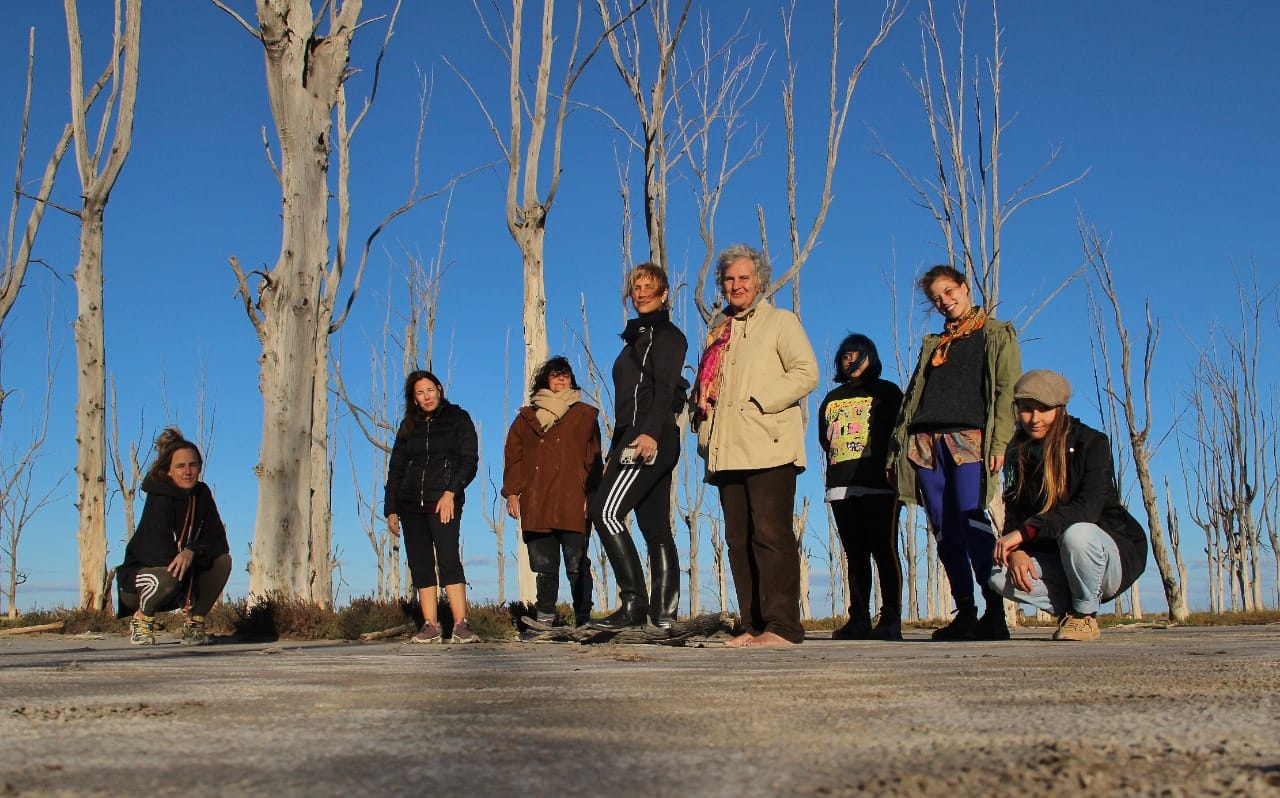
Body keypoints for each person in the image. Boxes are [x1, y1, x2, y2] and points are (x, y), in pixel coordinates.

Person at [693, 244, 818, 647]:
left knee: (771, 534)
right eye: (729, 279)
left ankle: (783, 627)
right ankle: (753, 624)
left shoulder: (781, 322)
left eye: (744, 278)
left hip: (769, 445)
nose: (736, 285)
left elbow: (807, 372)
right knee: (738, 539)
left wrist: (761, 400)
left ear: (760, 282)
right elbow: (711, 385)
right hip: (726, 448)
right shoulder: (719, 333)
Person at [888, 264, 1021, 641]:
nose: (945, 302)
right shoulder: (935, 344)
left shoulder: (995, 334)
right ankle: (965, 611)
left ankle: (994, 612)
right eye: (936, 299)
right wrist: (895, 452)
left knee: (973, 521)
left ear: (965, 288)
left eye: (949, 292)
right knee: (944, 530)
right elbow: (914, 398)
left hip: (971, 441)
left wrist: (999, 445)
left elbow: (1006, 392)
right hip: (926, 444)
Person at [989, 370, 1148, 640]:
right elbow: (1014, 509)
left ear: (1060, 409)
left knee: (1077, 533)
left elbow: (1088, 509)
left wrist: (1027, 531)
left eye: (1044, 409)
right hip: (1058, 560)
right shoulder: (1017, 450)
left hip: (1106, 555)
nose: (1034, 419)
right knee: (999, 574)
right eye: (1027, 410)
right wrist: (1017, 549)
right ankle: (1071, 612)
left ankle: (1085, 616)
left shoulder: (1091, 443)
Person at [587, 263, 688, 632]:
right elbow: (627, 402)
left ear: (664, 293)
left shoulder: (668, 336)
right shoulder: (634, 340)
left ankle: (633, 605)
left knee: (604, 511)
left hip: (651, 435)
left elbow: (663, 390)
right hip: (634, 435)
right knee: (655, 526)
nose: (641, 292)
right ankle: (663, 617)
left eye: (649, 286)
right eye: (635, 287)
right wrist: (615, 449)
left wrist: (649, 436)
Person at [502, 356, 603, 628]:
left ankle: (583, 619)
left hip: (574, 500)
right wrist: (512, 493)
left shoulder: (585, 415)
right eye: (555, 375)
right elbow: (514, 458)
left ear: (571, 380)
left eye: (565, 376)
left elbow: (594, 459)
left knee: (577, 564)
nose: (560, 380)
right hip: (537, 501)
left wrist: (591, 496)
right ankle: (544, 619)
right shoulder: (526, 417)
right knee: (544, 567)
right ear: (545, 380)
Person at [817, 334, 904, 641]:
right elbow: (824, 439)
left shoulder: (888, 392)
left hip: (880, 485)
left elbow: (899, 434)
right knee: (855, 553)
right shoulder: (831, 398)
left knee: (884, 550)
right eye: (845, 356)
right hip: (842, 486)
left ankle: (891, 618)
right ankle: (859, 618)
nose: (850, 360)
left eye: (857, 355)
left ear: (871, 357)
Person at [385, 370, 480, 643]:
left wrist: (451, 492)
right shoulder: (408, 426)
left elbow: (469, 460)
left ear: (439, 389)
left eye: (429, 390)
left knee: (449, 559)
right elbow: (396, 469)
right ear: (413, 399)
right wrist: (391, 509)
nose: (426, 397)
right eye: (419, 393)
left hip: (444, 500)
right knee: (420, 563)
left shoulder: (458, 418)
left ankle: (460, 624)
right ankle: (430, 625)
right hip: (410, 503)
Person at [117, 428, 232, 647]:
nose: (188, 471)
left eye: (193, 465)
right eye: (180, 466)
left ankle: (194, 625)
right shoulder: (159, 497)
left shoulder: (202, 494)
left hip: (179, 583)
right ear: (168, 471)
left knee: (223, 561)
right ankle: (141, 620)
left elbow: (218, 541)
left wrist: (192, 552)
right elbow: (156, 553)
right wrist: (186, 588)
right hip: (140, 584)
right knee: (169, 575)